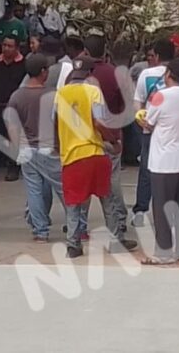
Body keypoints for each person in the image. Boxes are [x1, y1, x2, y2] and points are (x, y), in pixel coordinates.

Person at [56, 59, 138, 258]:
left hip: (71, 157)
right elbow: (99, 122)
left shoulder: (60, 94)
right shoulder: (93, 92)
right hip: (94, 152)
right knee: (107, 200)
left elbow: (54, 122)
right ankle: (115, 240)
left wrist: (59, 147)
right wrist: (114, 141)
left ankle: (73, 245)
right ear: (89, 74)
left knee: (74, 203)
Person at [133, 59, 179, 265]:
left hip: (164, 159)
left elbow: (149, 122)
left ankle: (163, 251)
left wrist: (141, 119)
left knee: (161, 206)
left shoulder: (160, 96)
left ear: (168, 74)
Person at [7, 55, 66, 242]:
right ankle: (77, 224)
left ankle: (41, 231)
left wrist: (18, 147)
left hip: (27, 149)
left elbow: (12, 125)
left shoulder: (17, 95)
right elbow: (59, 123)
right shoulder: (53, 95)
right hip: (50, 149)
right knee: (63, 189)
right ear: (43, 72)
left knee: (34, 190)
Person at [82, 35, 130, 233]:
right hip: (111, 134)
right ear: (105, 51)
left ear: (85, 51)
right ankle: (118, 220)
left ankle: (79, 225)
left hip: (84, 137)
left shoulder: (78, 75)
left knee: (83, 183)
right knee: (111, 181)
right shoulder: (114, 73)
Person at [131, 40, 175, 226]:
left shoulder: (146, 74)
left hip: (150, 128)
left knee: (146, 171)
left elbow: (138, 102)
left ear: (156, 56)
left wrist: (141, 120)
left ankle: (140, 211)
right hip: (173, 130)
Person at [0, 33, 28, 182]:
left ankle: (14, 167)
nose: (6, 49)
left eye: (10, 46)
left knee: (15, 138)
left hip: (16, 108)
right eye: (4, 45)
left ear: (17, 48)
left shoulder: (24, 64)